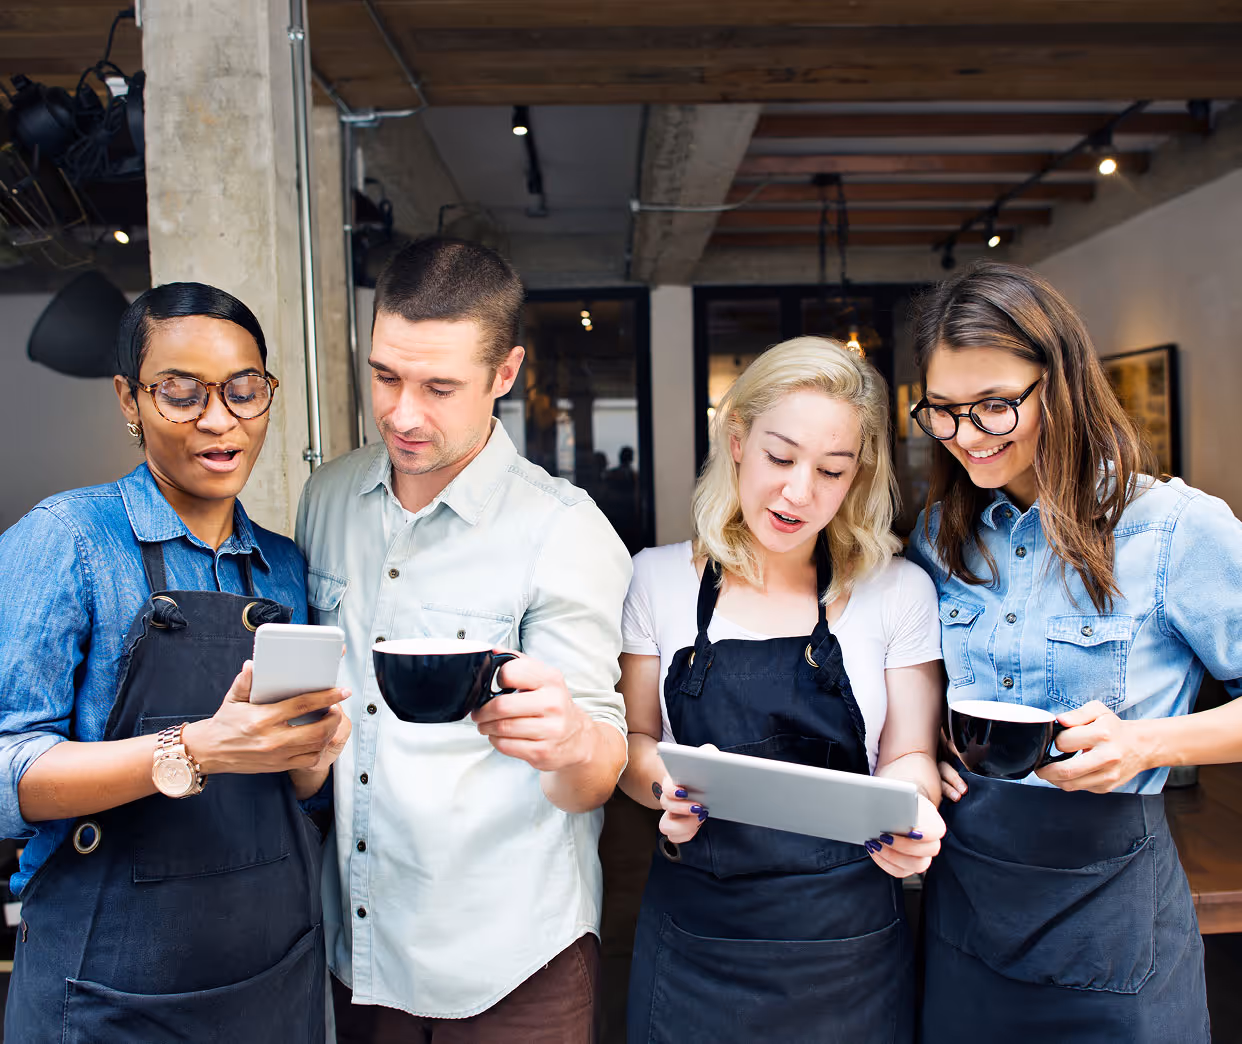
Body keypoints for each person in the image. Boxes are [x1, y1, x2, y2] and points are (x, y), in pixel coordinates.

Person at [297, 237, 632, 1041]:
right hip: (354, 945)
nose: (404, 414)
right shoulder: (327, 497)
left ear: (505, 375)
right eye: (385, 376)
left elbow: (598, 773)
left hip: (511, 960)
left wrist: (573, 739)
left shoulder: (566, 531)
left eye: (439, 387)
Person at [0, 283, 351, 1042]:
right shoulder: (68, 541)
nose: (219, 420)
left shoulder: (285, 567)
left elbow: (302, 803)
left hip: (274, 974)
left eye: (243, 390)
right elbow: (4, 774)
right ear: (129, 400)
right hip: (106, 992)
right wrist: (191, 750)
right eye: (181, 393)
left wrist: (309, 761)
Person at [906, 261, 1242, 1043]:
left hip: (1113, 918)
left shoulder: (1172, 529)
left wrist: (1146, 743)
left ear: (1058, 385)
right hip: (966, 907)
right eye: (945, 411)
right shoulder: (939, 540)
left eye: (994, 406)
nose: (966, 437)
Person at [619, 337, 946, 1044]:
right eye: (779, 457)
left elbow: (911, 753)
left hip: (848, 947)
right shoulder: (656, 579)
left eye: (832, 470)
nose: (800, 492)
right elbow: (636, 743)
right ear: (736, 441)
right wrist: (661, 793)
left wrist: (913, 814)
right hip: (696, 944)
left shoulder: (898, 590)